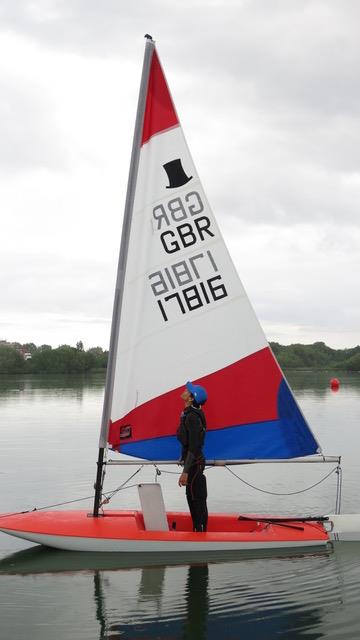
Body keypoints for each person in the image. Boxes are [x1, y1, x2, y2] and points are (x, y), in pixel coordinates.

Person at [177, 381, 208, 532]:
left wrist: (185, 471)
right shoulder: (188, 414)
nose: (185, 390)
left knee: (196, 498)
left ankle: (200, 531)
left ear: (190, 398)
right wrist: (182, 457)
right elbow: (188, 442)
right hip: (192, 461)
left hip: (194, 464)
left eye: (188, 390)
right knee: (191, 496)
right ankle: (197, 529)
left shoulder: (192, 417)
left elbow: (195, 446)